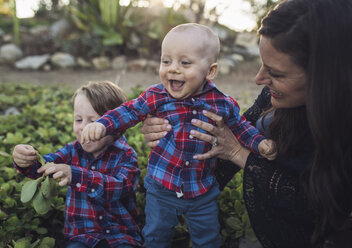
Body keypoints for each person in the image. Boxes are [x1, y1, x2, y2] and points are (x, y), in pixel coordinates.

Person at [140, 0, 352, 247]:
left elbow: (318, 203)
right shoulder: (275, 100)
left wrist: (240, 154)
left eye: (276, 73)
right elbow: (236, 132)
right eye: (262, 64)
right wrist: (172, 131)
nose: (258, 78)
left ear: (328, 76)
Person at [80, 23, 276, 247]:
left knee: (208, 238)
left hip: (202, 190)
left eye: (185, 63)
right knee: (155, 234)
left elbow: (241, 127)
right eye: (166, 61)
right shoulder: (157, 96)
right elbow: (129, 111)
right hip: (162, 186)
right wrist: (103, 124)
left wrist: (259, 143)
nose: (173, 69)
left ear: (210, 71)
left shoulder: (221, 103)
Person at [12, 81, 143, 248]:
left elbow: (120, 187)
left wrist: (76, 175)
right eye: (78, 119)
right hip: (81, 236)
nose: (82, 128)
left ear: (116, 125)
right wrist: (24, 160)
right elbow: (40, 169)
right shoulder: (72, 151)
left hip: (120, 235)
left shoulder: (126, 156)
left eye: (93, 122)